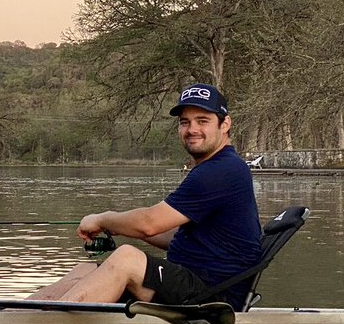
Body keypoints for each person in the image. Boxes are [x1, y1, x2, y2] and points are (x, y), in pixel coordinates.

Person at [29, 83, 263, 311]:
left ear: (225, 124)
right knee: (85, 269)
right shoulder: (216, 168)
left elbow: (148, 224)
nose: (192, 129)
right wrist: (118, 228)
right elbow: (175, 237)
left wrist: (102, 219)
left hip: (213, 297)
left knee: (127, 258)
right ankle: (12, 315)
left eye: (203, 121)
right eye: (185, 122)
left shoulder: (222, 170)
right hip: (191, 282)